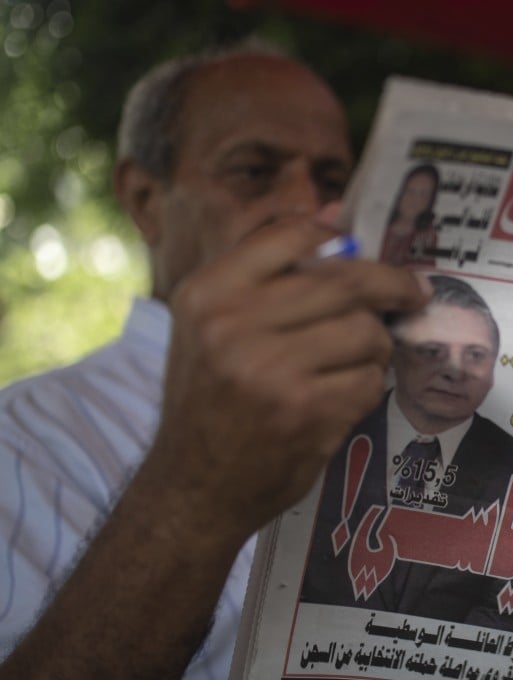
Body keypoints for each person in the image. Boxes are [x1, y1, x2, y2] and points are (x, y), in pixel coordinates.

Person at [0, 44, 431, 679]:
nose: (307, 207)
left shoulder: (398, 395)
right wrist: (192, 496)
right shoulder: (24, 437)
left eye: (333, 182)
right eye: (254, 171)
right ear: (145, 199)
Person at [301, 274, 513, 632]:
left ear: (493, 374)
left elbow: (506, 609)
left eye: (476, 355)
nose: (455, 371)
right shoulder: (324, 433)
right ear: (395, 355)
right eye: (433, 350)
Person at [379, 163, 440, 266]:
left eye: (423, 195)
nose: (414, 200)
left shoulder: (428, 238)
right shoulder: (378, 226)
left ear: (430, 201)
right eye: (410, 191)